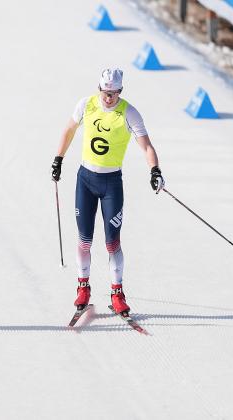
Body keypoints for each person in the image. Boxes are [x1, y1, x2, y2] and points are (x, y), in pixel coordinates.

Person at [51, 68, 164, 315]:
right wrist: (58, 159)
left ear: (120, 91)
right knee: (84, 240)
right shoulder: (86, 105)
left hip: (111, 183)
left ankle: (117, 292)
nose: (108, 98)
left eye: (113, 94)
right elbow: (68, 130)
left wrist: (155, 171)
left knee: (112, 243)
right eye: (105, 92)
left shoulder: (129, 113)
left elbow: (146, 147)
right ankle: (83, 287)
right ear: (99, 88)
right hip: (86, 181)